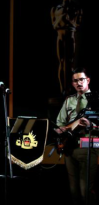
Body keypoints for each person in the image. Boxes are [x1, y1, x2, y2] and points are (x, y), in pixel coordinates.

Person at [55, 67, 98, 205]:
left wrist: (91, 126)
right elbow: (59, 123)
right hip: (70, 146)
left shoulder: (96, 100)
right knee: (73, 191)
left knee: (85, 189)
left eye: (81, 79)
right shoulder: (69, 100)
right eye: (75, 81)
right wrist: (60, 130)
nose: (78, 83)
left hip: (88, 144)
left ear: (88, 80)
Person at [51, 0, 83, 96]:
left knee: (70, 62)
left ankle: (69, 88)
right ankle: (63, 88)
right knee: (61, 61)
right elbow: (54, 23)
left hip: (70, 34)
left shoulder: (75, 8)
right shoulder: (55, 9)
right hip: (60, 35)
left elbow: (78, 22)